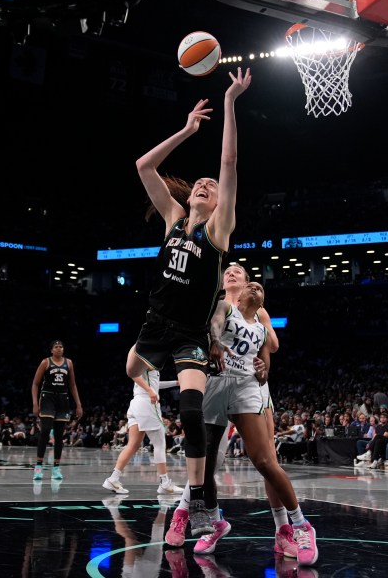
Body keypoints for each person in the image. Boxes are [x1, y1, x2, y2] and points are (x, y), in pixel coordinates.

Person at [124, 67, 252, 535]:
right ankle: (152, 382)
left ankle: (199, 500)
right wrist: (186, 129)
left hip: (190, 335)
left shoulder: (218, 232)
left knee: (193, 411)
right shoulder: (173, 218)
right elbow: (143, 166)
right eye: (199, 181)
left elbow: (230, 164)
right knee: (132, 370)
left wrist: (231, 102)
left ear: (219, 203)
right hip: (155, 323)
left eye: (210, 185)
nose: (204, 183)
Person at [167, 281, 318, 566]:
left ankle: (299, 526)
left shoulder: (261, 324)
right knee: (207, 464)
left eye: (259, 287)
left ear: (262, 302)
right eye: (249, 283)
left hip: (247, 388)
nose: (254, 287)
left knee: (264, 460)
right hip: (217, 382)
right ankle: (212, 520)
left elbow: (267, 361)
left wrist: (264, 368)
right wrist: (214, 342)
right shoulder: (223, 306)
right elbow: (213, 323)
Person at [102, 371, 184, 496]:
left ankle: (113, 479)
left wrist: (175, 383)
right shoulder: (148, 356)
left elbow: (155, 384)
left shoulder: (150, 361)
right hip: (147, 403)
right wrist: (150, 391)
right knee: (160, 444)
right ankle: (164, 483)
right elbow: (134, 374)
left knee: (133, 445)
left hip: (136, 404)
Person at [31, 340, 83, 481]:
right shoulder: (45, 362)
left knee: (59, 435)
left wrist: (78, 404)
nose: (59, 349)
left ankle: (56, 468)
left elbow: (72, 384)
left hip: (63, 399)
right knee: (46, 431)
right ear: (51, 350)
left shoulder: (69, 363)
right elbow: (35, 384)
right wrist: (35, 403)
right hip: (47, 397)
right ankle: (38, 467)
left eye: (61, 346)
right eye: (56, 347)